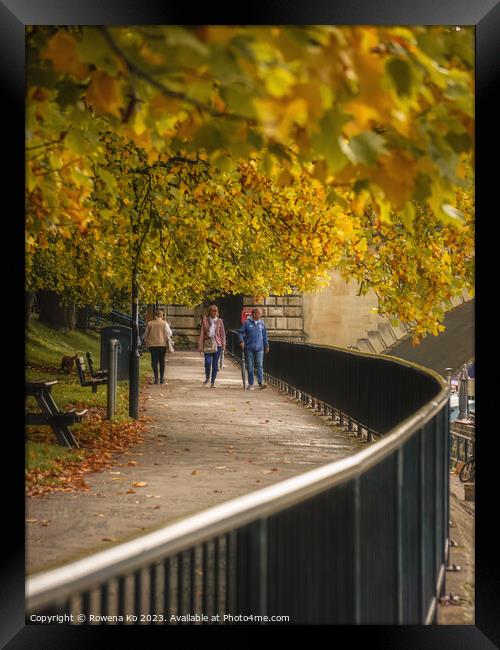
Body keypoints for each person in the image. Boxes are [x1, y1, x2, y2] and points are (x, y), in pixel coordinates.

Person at [238, 307, 270, 390]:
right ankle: (251, 384)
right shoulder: (247, 323)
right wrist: (241, 341)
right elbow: (240, 333)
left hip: (260, 348)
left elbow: (264, 336)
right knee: (250, 366)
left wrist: (266, 345)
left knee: (260, 365)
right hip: (249, 348)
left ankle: (260, 382)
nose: (260, 315)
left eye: (260, 313)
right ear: (254, 314)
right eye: (259, 313)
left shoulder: (262, 323)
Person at [198, 304, 226, 387]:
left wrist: (224, 344)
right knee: (207, 362)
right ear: (209, 312)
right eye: (213, 311)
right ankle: (207, 377)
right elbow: (202, 333)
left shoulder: (220, 321)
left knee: (215, 364)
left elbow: (222, 333)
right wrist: (200, 345)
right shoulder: (205, 320)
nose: (215, 312)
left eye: (216, 311)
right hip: (208, 344)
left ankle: (213, 382)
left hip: (218, 344)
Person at [143, 308, 173, 385]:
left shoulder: (150, 323)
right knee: (162, 361)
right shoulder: (164, 323)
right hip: (162, 345)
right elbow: (170, 333)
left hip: (153, 345)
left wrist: (145, 339)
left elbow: (145, 334)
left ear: (155, 315)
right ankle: (162, 378)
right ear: (162, 315)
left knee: (154, 361)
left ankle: (156, 378)